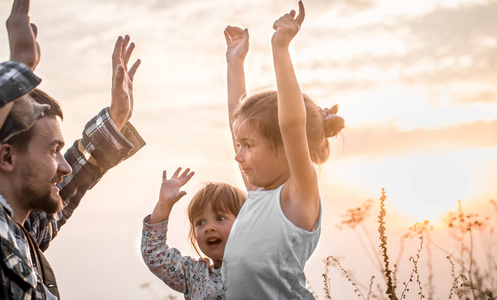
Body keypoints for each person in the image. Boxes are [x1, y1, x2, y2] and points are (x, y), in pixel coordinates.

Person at [0, 0, 145, 298]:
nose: (64, 166)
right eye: (53, 150)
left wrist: (116, 119)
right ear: (7, 156)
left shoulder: (23, 234)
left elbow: (69, 185)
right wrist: (20, 64)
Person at [221, 1, 345, 298]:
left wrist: (280, 48)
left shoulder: (298, 197)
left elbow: (291, 125)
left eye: (249, 146)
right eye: (240, 145)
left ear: (288, 149)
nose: (238, 155)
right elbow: (235, 119)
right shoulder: (258, 193)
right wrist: (235, 64)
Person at [141, 167, 246, 299]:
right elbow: (155, 255)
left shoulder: (258, 266)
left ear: (245, 223)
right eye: (200, 222)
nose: (209, 227)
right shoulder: (194, 275)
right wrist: (163, 204)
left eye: (220, 218)